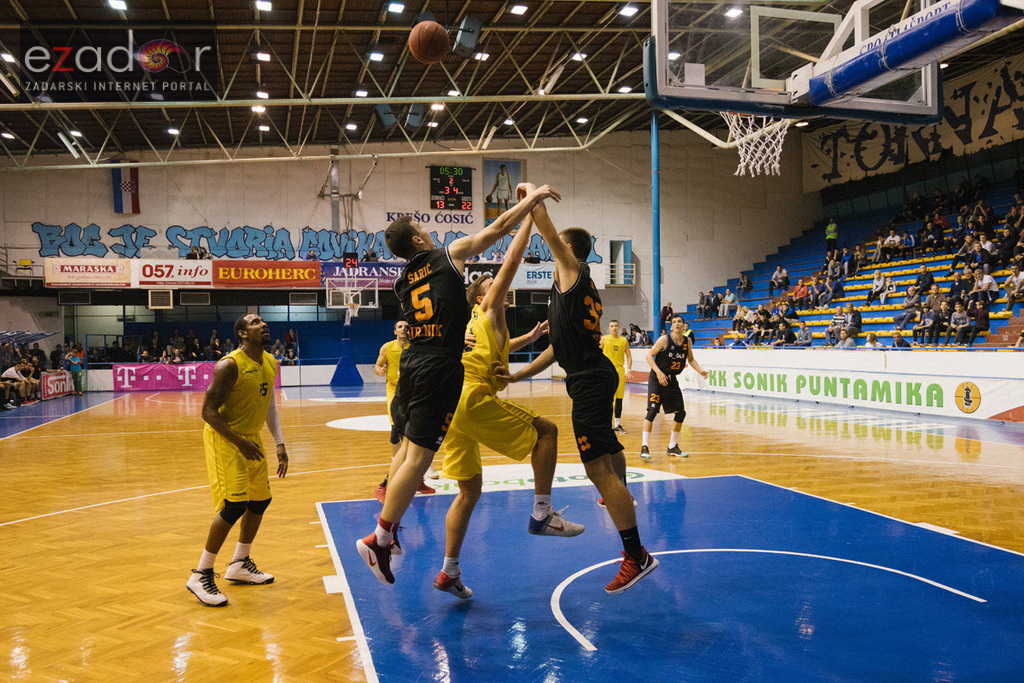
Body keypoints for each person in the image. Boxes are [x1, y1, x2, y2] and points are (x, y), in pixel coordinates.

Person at [355, 183, 561, 587]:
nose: (429, 232)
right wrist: (530, 200)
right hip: (440, 371)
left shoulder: (402, 281)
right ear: (418, 239)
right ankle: (379, 538)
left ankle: (412, 548)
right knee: (419, 459)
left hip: (413, 365)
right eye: (423, 229)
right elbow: (497, 230)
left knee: (410, 453)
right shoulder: (446, 256)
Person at [496, 183, 658, 594]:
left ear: (569, 251)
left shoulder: (573, 272)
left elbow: (548, 230)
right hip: (589, 374)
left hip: (589, 378)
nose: (551, 250)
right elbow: (556, 349)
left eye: (558, 247)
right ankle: (619, 494)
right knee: (608, 454)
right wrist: (517, 376)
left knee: (596, 468)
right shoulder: (565, 291)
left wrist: (530, 194)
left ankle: (636, 555)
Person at [434, 212, 584, 600]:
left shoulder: (480, 324)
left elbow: (498, 345)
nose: (498, 285)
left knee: (468, 492)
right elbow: (512, 262)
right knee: (547, 431)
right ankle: (542, 513)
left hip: (450, 405)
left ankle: (449, 571)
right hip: (471, 398)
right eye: (490, 284)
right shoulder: (486, 309)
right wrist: (530, 217)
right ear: (481, 296)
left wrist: (528, 338)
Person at [185, 314, 289, 607]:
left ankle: (240, 563)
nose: (263, 324)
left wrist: (279, 442)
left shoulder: (270, 361)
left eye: (263, 321)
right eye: (255, 323)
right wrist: (240, 442)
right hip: (226, 438)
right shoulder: (229, 365)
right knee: (234, 506)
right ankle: (201, 573)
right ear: (243, 334)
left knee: (260, 501)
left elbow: (269, 405)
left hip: (251, 437)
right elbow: (207, 412)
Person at [372, 321, 437, 503]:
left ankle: (417, 480)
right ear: (395, 331)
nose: (404, 329)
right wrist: (380, 370)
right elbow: (377, 366)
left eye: (407, 326)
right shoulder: (388, 347)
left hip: (414, 393)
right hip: (395, 393)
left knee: (415, 439)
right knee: (400, 436)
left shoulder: (417, 347)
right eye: (400, 326)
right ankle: (386, 484)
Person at [640, 314, 709, 458]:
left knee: (681, 412)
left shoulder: (687, 341)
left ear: (684, 326)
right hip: (657, 378)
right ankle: (644, 446)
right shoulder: (664, 340)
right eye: (674, 322)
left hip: (671, 380)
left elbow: (690, 359)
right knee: (652, 411)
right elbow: (649, 356)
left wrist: (700, 371)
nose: (677, 324)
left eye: (679, 322)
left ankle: (672, 446)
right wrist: (658, 372)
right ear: (671, 326)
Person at [601, 320, 633, 434]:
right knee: (607, 398)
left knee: (619, 398)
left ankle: (617, 424)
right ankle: (605, 424)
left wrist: (629, 370)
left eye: (616, 326)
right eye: (612, 326)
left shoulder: (623, 340)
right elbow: (597, 354)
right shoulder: (604, 339)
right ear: (609, 328)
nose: (614, 328)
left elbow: (629, 356)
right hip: (607, 371)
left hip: (619, 370)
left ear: (618, 327)